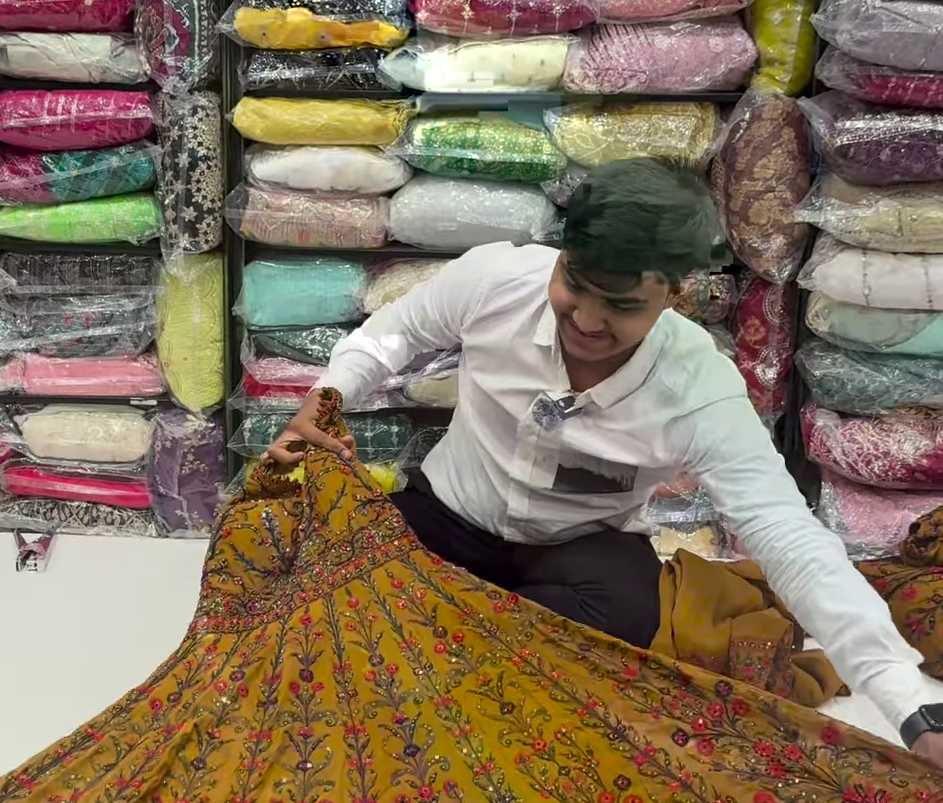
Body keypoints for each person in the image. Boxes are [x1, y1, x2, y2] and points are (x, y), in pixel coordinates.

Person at [268, 158, 943, 770]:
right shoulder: (495, 280)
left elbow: (787, 534)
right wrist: (328, 398)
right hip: (447, 516)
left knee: (627, 613)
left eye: (621, 305)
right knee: (329, 575)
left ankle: (446, 644)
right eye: (577, 285)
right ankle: (473, 645)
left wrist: (908, 703)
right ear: (562, 255)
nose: (587, 320)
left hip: (578, 551)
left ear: (674, 294)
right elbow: (392, 336)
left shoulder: (698, 387)